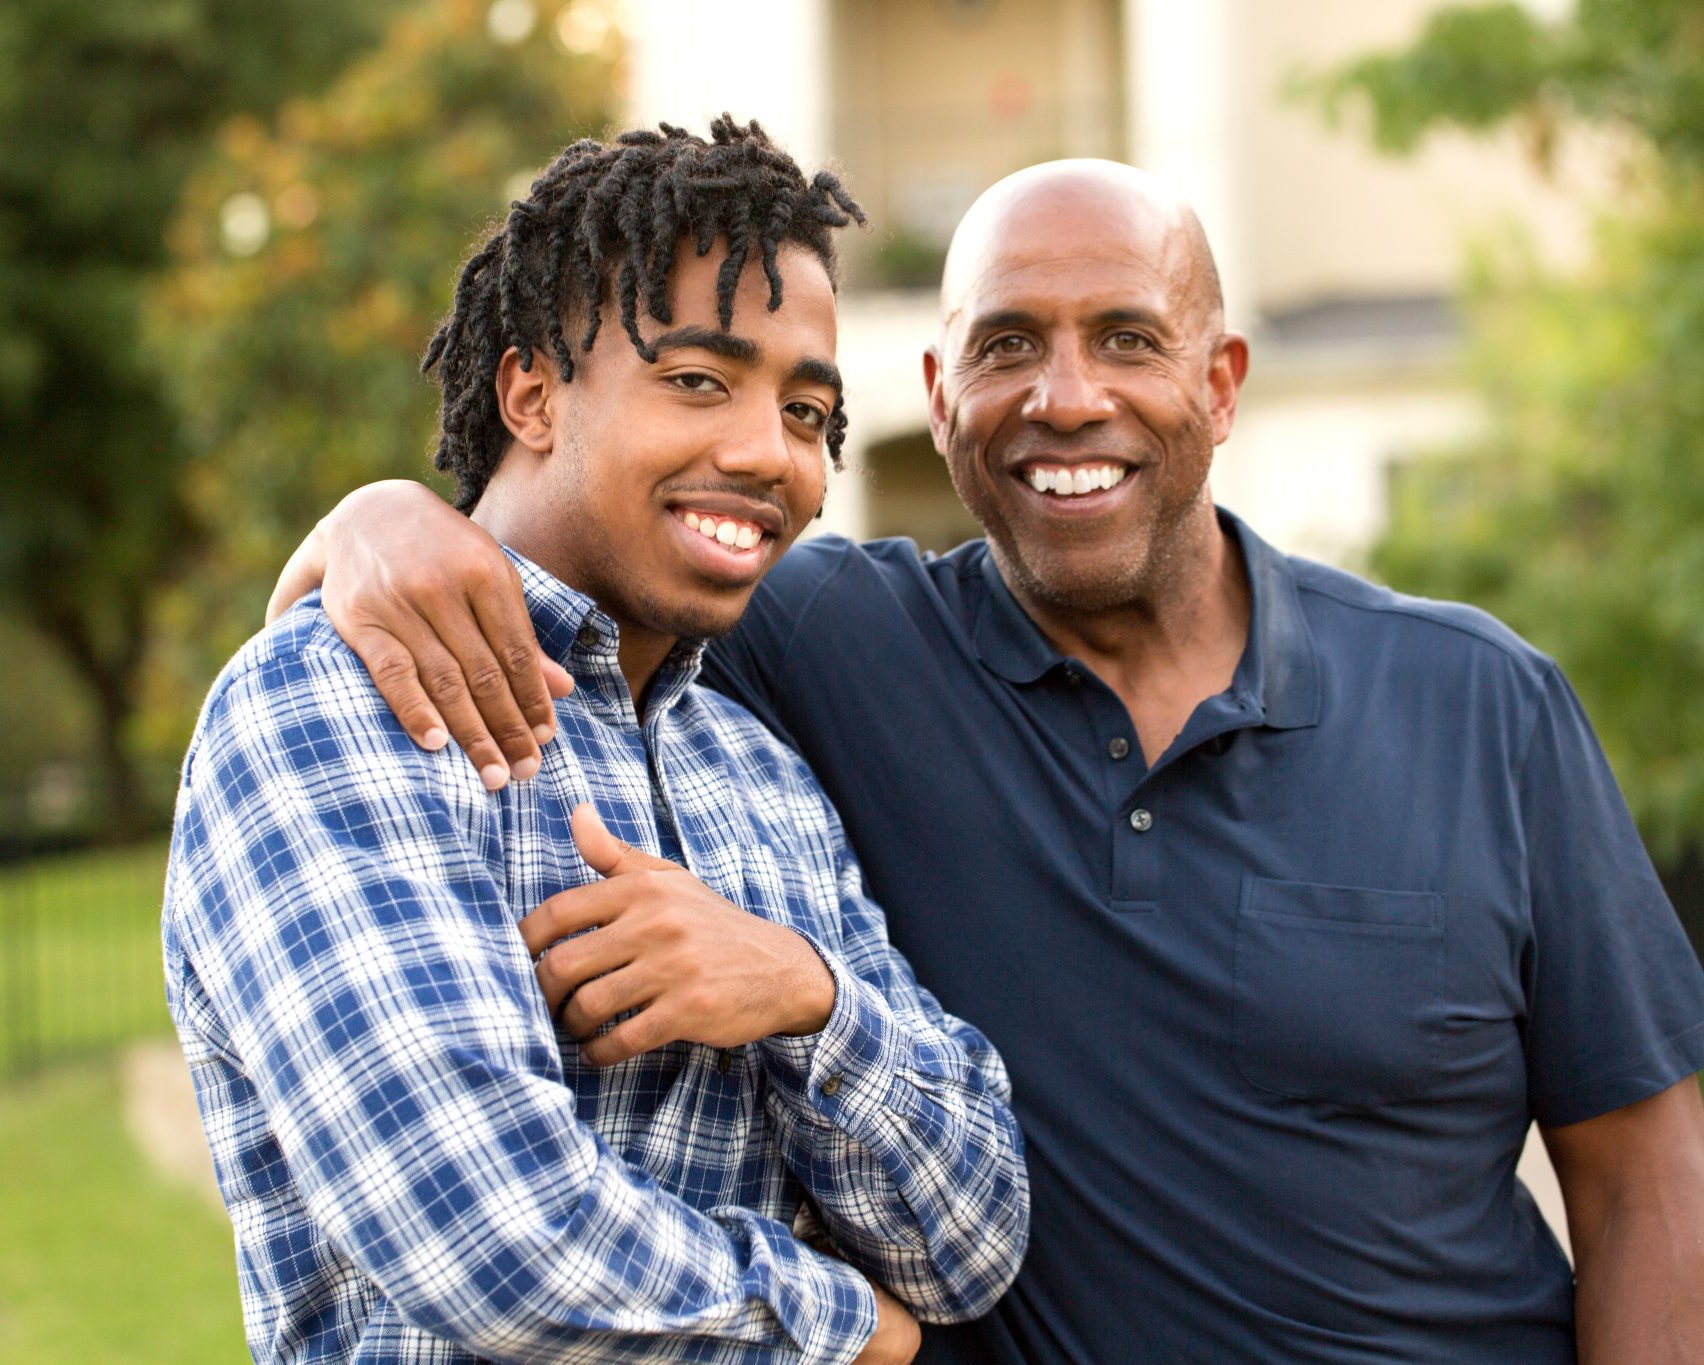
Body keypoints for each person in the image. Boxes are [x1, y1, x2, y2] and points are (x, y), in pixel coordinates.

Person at [270, 158, 1704, 1362]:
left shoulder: (1479, 702)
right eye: (1007, 345)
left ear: (1221, 383)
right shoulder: (824, 644)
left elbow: (1645, 1176)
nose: (1065, 397)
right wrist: (383, 518)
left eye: (1128, 340)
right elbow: (593, 552)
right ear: (940, 393)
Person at [164, 117, 1028, 1365]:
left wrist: (806, 996)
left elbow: (974, 1243)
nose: (765, 452)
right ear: (530, 393)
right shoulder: (337, 706)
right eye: (697, 380)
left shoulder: (760, 773)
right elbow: (487, 1238)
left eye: (804, 411)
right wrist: (850, 1335)